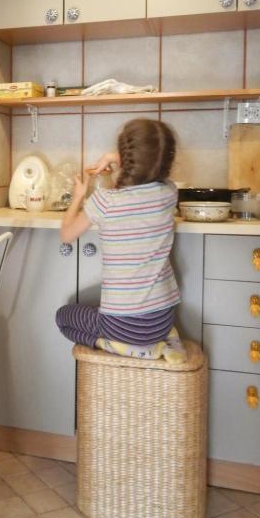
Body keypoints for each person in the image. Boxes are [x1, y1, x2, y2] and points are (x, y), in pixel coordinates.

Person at [56, 119, 182, 357]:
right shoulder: (169, 193)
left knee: (63, 317)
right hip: (162, 321)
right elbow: (152, 168)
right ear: (167, 161)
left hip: (120, 327)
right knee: (102, 313)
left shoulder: (105, 201)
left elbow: (66, 234)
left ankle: (119, 346)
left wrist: (78, 196)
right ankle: (157, 341)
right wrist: (115, 157)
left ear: (126, 156)